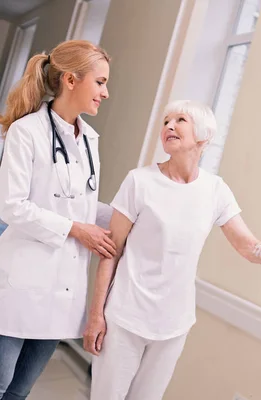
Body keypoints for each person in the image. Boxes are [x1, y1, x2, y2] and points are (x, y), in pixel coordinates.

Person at [84, 100, 261, 400]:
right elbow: (111, 251)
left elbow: (250, 248)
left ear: (203, 137)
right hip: (125, 317)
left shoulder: (215, 190)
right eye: (166, 121)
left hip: (174, 325)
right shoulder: (140, 182)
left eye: (180, 120)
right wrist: (96, 315)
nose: (169, 126)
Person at [0, 40, 115, 399]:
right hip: (19, 289)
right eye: (100, 82)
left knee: (19, 392)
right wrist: (76, 229)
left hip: (62, 294)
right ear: (70, 80)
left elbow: (80, 203)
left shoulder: (89, 140)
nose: (106, 92)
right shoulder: (27, 132)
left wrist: (131, 216)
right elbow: (12, 206)